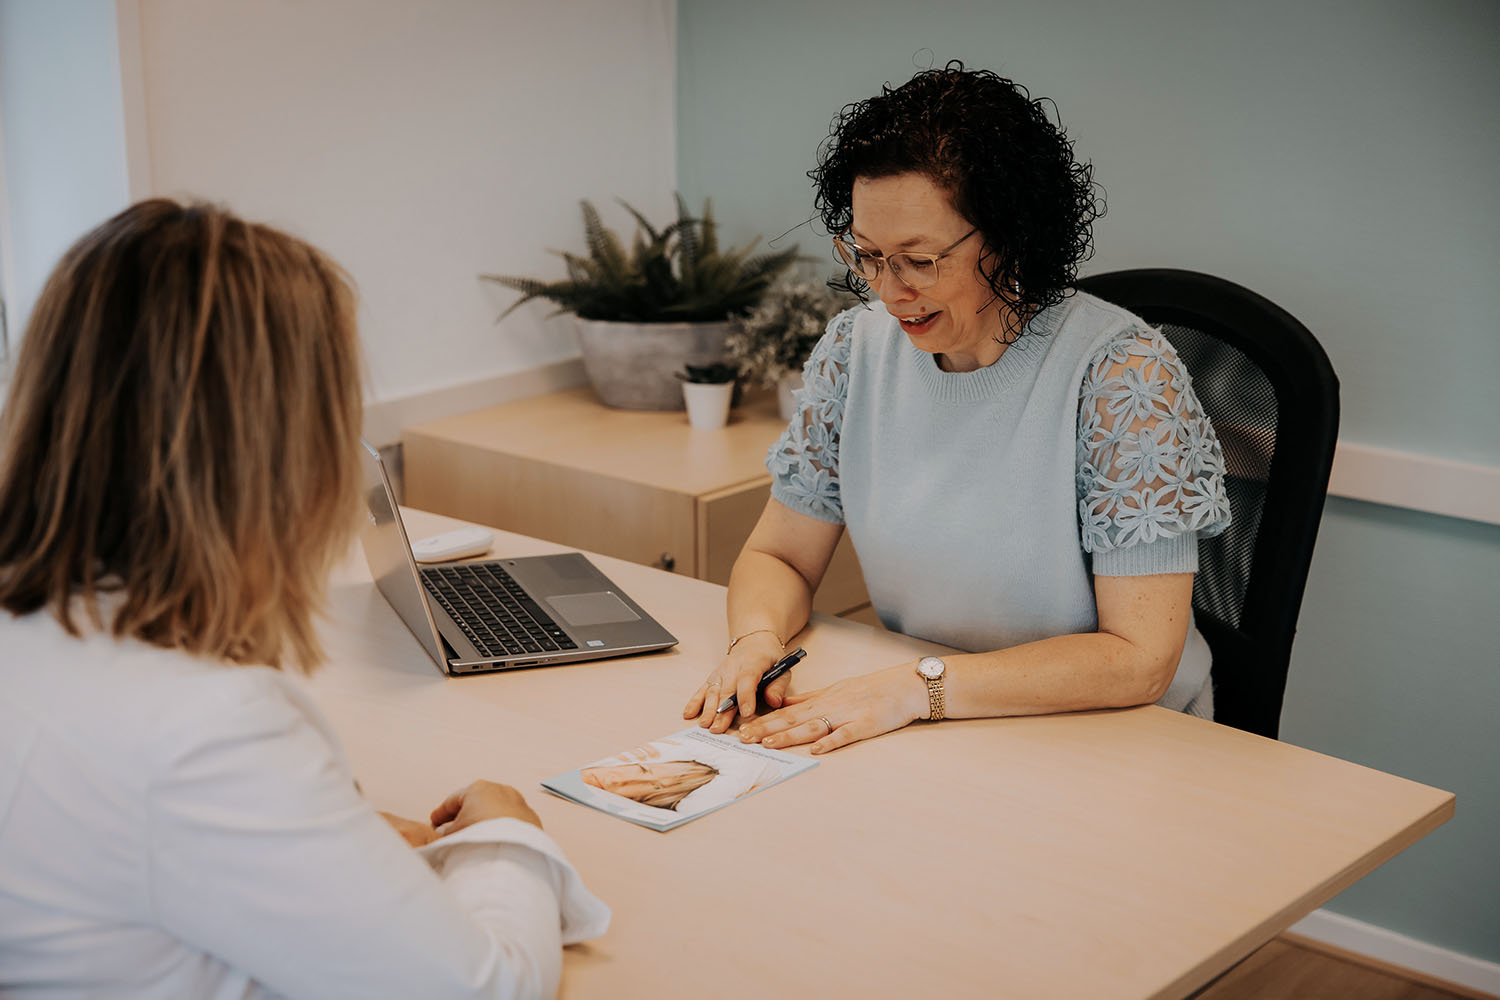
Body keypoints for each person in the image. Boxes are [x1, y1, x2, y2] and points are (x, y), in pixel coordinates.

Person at [0, 200, 608, 999]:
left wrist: (316, 836)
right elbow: (487, 988)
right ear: (280, 446)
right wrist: (506, 835)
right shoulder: (199, 734)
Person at [682, 63, 1231, 753]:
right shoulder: (857, 352)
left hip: (1115, 739)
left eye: (919, 259)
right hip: (940, 719)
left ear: (1010, 237)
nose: (890, 291)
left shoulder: (1122, 375)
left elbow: (1139, 658)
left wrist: (918, 687)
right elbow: (781, 557)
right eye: (868, 255)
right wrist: (757, 638)